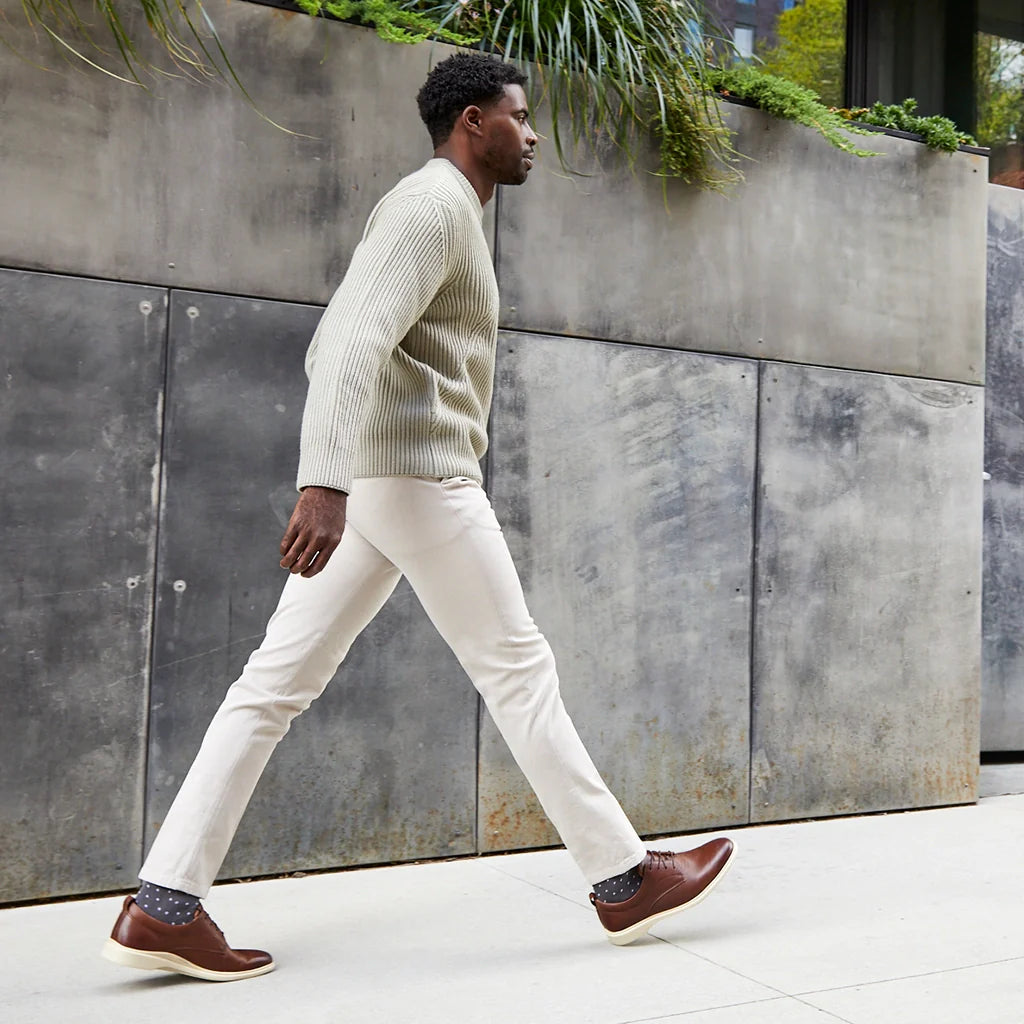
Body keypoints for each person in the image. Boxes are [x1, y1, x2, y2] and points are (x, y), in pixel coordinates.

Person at [102, 51, 735, 983]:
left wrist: (343, 480)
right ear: (473, 121)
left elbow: (360, 342)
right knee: (518, 672)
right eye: (520, 117)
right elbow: (347, 341)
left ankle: (164, 904)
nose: (534, 136)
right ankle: (624, 878)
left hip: (381, 483)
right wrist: (323, 481)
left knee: (270, 689)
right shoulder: (431, 206)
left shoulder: (447, 212)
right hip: (415, 479)